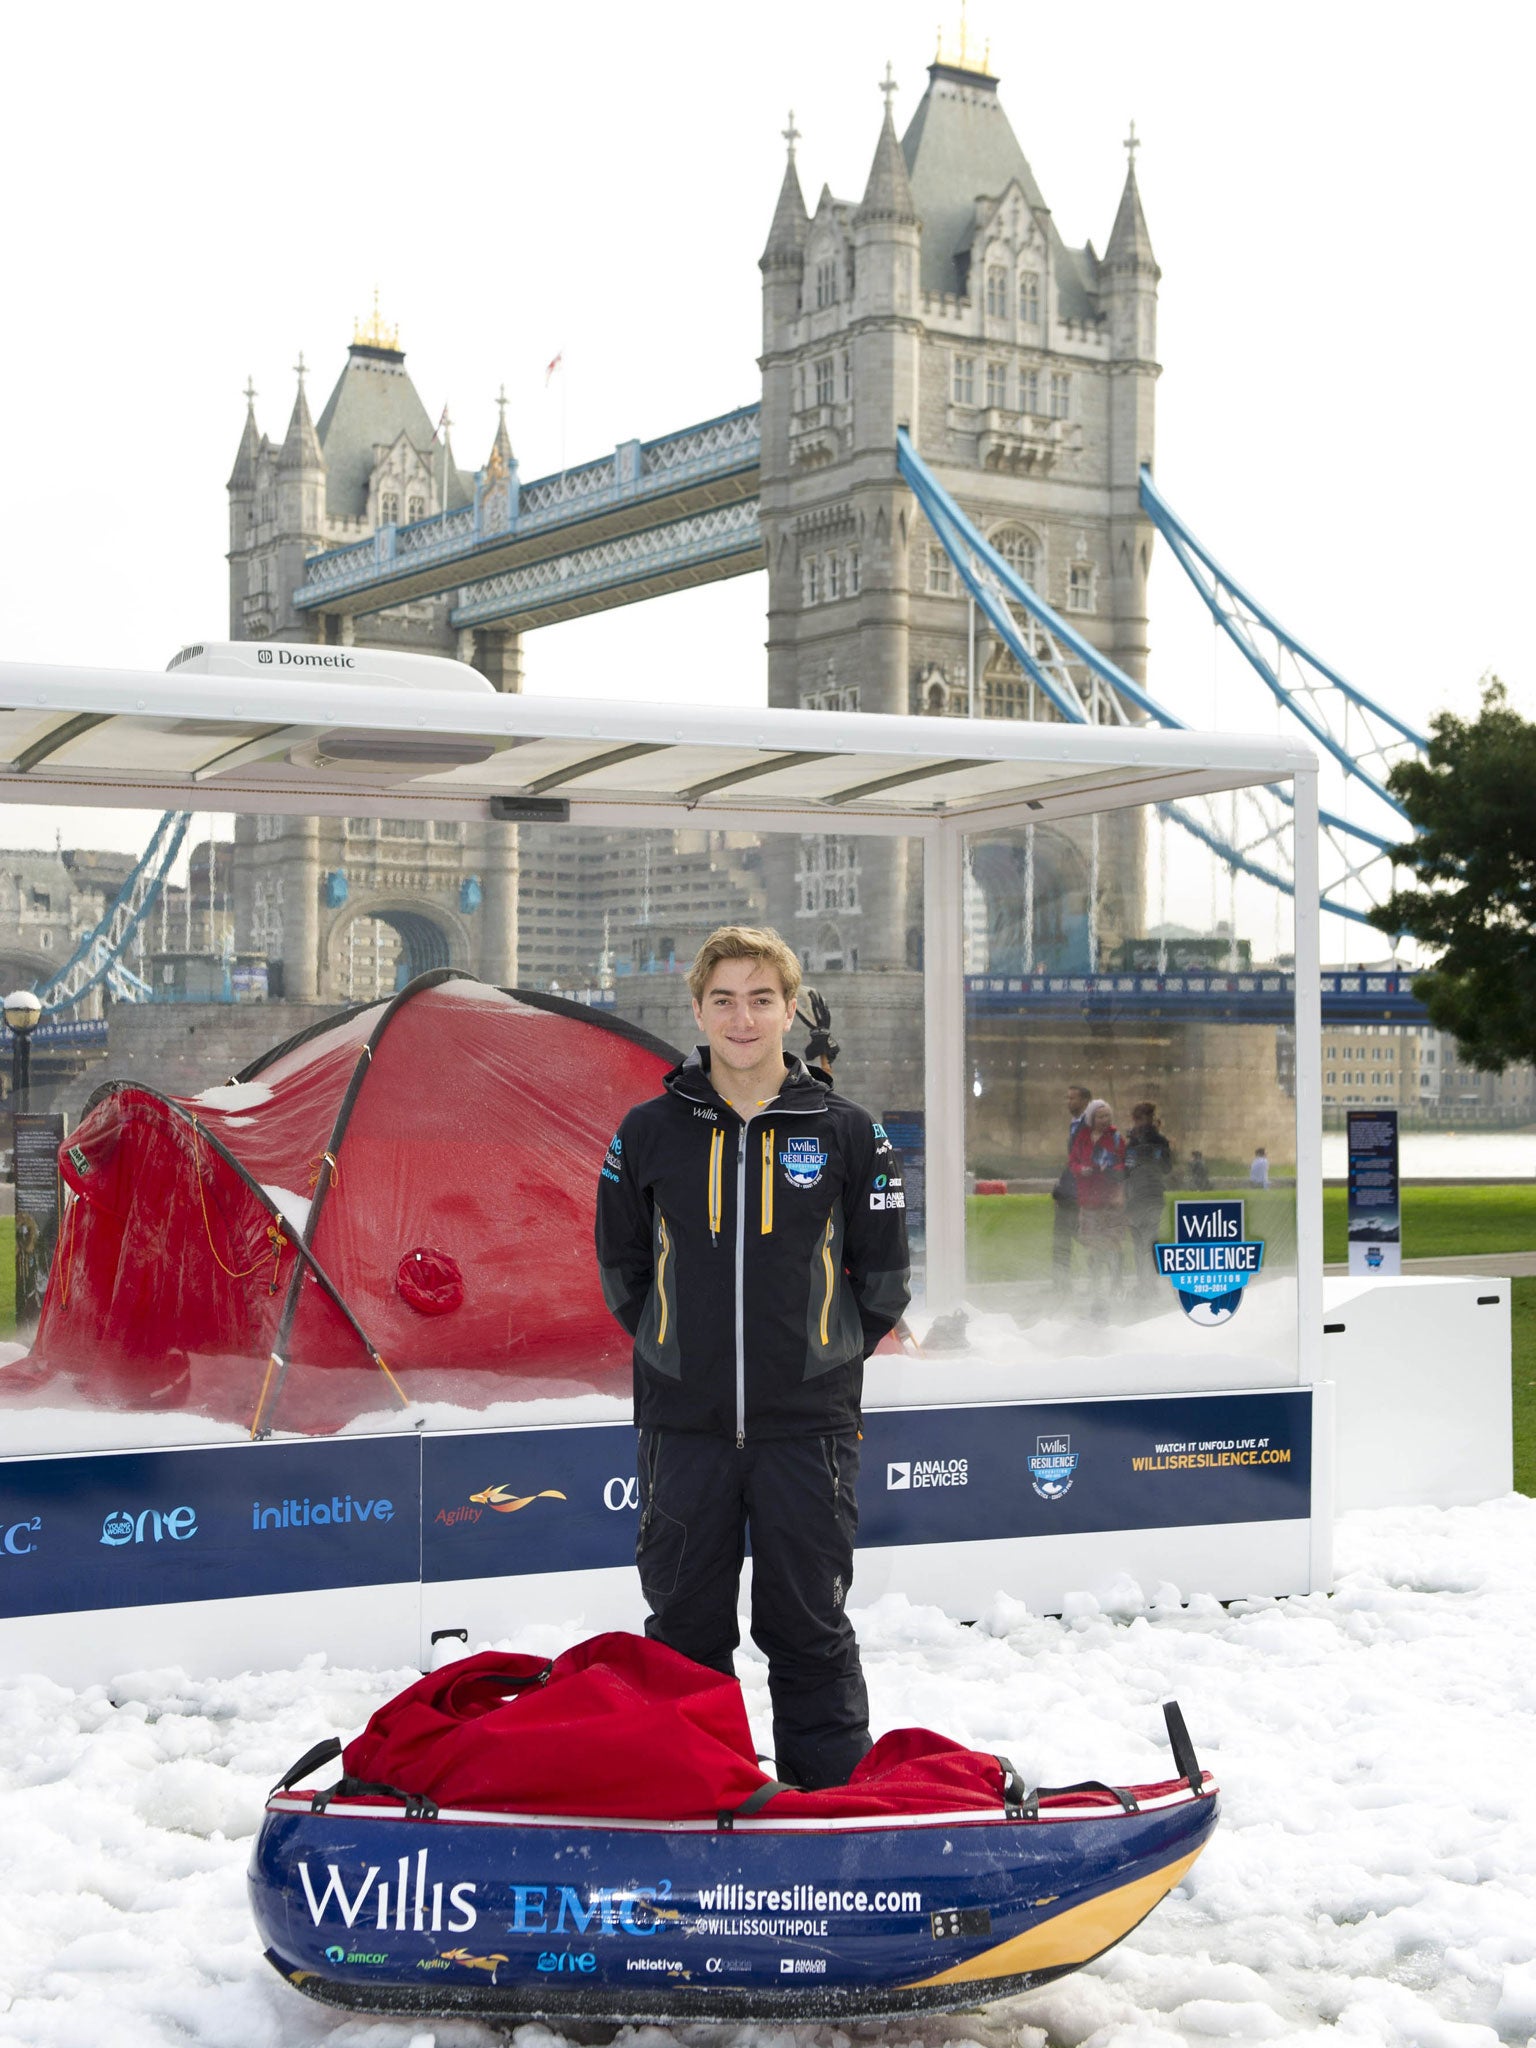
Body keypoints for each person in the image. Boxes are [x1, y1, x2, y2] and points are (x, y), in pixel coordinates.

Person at [594, 925, 910, 1790]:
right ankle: (702, 1804)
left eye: (762, 998)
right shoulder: (648, 1130)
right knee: (687, 1631)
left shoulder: (846, 1131)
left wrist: (824, 1360)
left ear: (790, 1010)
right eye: (725, 999)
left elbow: (882, 1279)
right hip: (684, 1427)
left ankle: (826, 1812)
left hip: (808, 1430)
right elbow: (620, 1268)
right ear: (697, 1010)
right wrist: (671, 1347)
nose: (743, 1017)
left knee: (808, 1628)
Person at [1069, 1099, 1127, 1315]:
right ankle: (1095, 1283)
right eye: (1101, 1116)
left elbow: (1124, 1164)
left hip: (1109, 1199)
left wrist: (1111, 1169)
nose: (1105, 1120)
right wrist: (1080, 1168)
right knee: (1093, 1243)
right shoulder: (1082, 1138)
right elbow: (1072, 1161)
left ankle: (1116, 1282)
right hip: (1088, 1198)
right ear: (1092, 1118)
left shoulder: (1115, 1138)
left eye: (1107, 1116)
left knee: (1113, 1241)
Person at [1124, 1101, 1173, 1293]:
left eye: (1140, 1119)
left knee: (1148, 1239)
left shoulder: (1155, 1142)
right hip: (1139, 1195)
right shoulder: (1137, 1142)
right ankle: (1145, 1282)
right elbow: (1127, 1169)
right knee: (1140, 1240)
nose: (1137, 1123)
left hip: (1150, 1193)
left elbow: (1165, 1167)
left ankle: (1149, 1282)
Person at [1051, 1084, 1092, 1291]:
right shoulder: (1076, 1124)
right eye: (1068, 1098)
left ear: (1085, 1101)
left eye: (1072, 1098)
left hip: (1078, 1192)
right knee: (1062, 1235)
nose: (1069, 1102)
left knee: (1079, 1234)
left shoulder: (1089, 1126)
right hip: (1071, 1190)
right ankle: (1060, 1280)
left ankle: (1107, 1271)